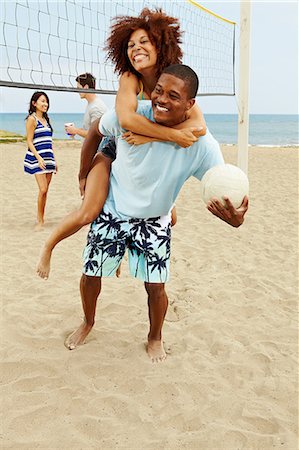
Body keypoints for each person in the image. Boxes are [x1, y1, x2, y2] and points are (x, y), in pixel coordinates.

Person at [64, 64, 249, 361]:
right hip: (114, 208)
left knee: (156, 286)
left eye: (173, 96)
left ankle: (155, 337)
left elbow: (222, 183)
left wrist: (236, 216)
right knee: (90, 273)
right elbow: (95, 133)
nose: (161, 99)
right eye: (159, 91)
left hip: (154, 218)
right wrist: (83, 174)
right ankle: (88, 322)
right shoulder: (132, 118)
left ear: (190, 105)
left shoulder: (202, 144)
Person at [37, 8, 206, 279]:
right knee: (89, 211)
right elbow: (126, 120)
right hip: (115, 147)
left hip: (147, 158)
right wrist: (83, 174)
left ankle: (124, 248)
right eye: (130, 45)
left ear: (161, 45)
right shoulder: (130, 78)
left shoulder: (174, 80)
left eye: (143, 42)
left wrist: (149, 136)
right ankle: (48, 246)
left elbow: (199, 127)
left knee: (169, 218)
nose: (135, 49)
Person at [24, 91, 57, 231]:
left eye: (46, 101)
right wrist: (38, 158)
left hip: (48, 158)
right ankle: (39, 220)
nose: (45, 104)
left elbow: (49, 142)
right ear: (34, 103)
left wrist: (54, 160)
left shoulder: (46, 120)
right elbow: (29, 141)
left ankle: (41, 218)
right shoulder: (32, 119)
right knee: (42, 189)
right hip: (38, 158)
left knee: (45, 191)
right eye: (42, 101)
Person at [64, 73, 107, 139]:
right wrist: (74, 131)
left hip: (96, 148)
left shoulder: (96, 107)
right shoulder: (91, 104)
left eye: (79, 88)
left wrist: (76, 131)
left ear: (86, 87)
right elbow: (89, 129)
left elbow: (95, 134)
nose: (77, 91)